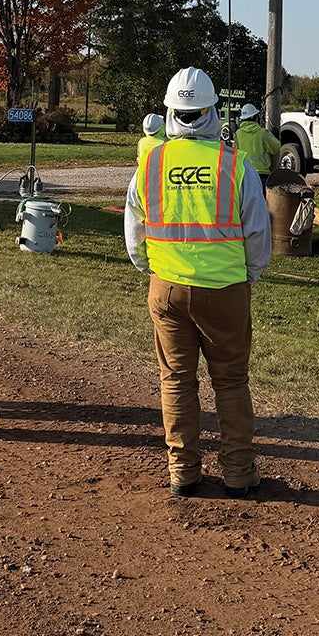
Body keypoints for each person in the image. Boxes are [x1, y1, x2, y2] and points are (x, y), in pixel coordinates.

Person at [125, 67, 272, 498]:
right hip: (225, 290)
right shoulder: (234, 165)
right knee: (229, 381)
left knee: (175, 380)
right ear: (211, 111)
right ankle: (239, 473)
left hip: (166, 288)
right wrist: (248, 275)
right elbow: (258, 233)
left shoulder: (150, 163)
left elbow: (135, 230)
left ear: (171, 112)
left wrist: (151, 269)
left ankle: (183, 472)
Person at [232, 103, 281, 180]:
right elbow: (276, 148)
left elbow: (234, 154)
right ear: (255, 117)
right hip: (262, 174)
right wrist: (275, 136)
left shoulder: (237, 134)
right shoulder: (263, 133)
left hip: (244, 173)